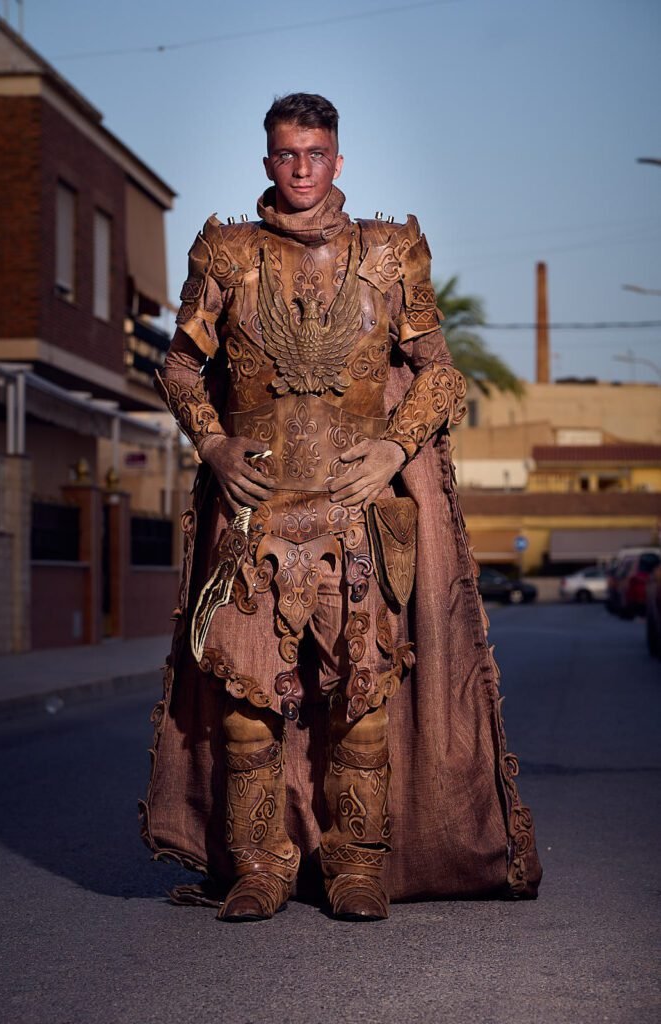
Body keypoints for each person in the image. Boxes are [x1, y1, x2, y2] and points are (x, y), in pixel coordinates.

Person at [140, 93, 541, 922]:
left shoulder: (390, 255)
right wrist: (214, 447)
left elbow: (440, 373)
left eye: (315, 153)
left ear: (337, 160)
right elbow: (178, 369)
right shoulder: (225, 252)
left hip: (357, 516)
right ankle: (260, 866)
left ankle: (354, 866)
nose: (300, 169)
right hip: (253, 518)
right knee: (246, 707)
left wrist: (396, 448)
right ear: (266, 162)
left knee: (361, 702)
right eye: (286, 154)